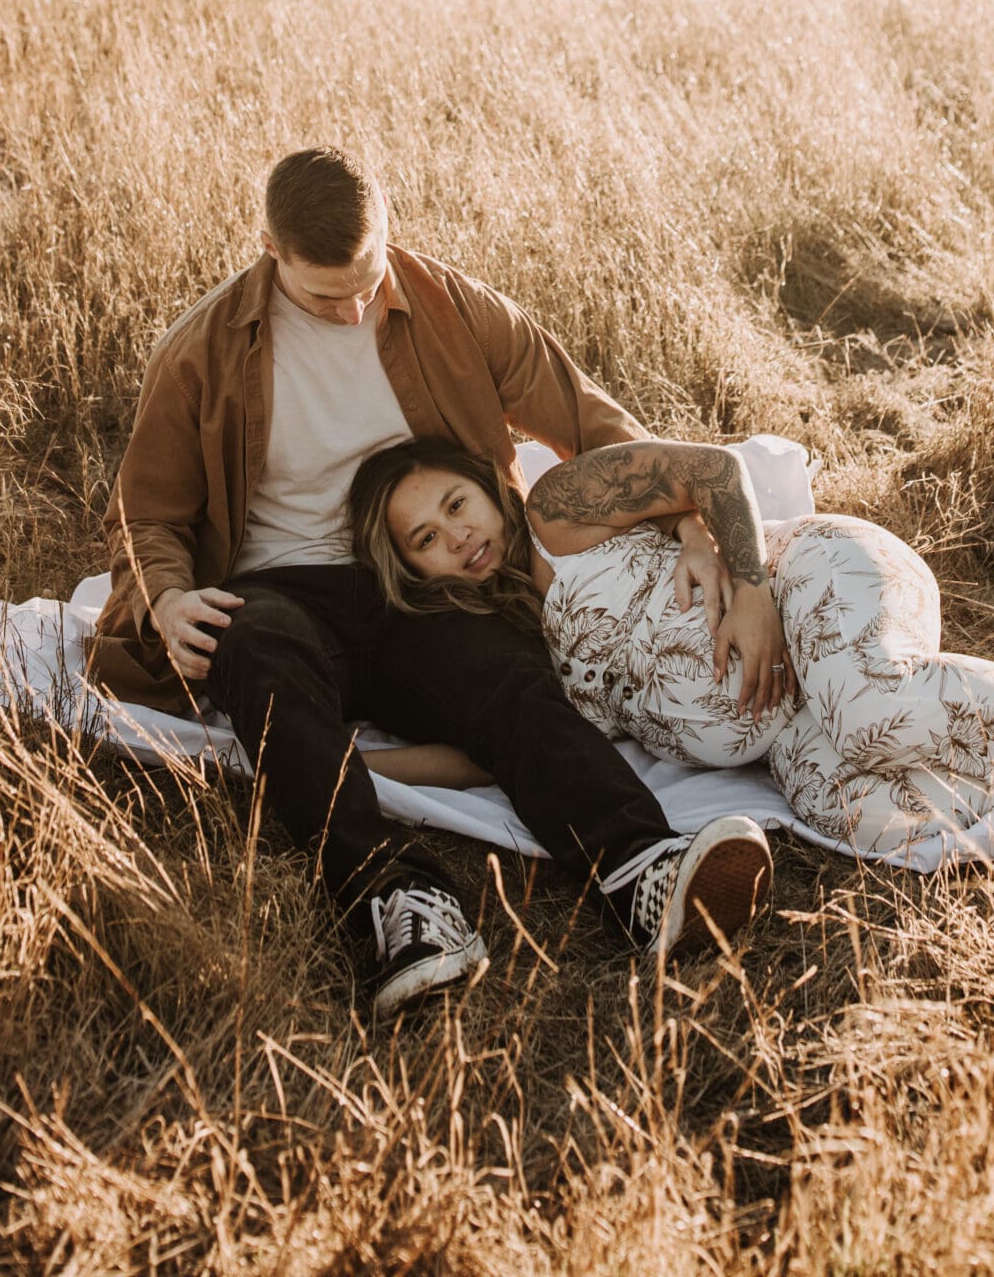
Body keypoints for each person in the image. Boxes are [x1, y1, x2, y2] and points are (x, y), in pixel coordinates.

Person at [87, 147, 775, 1019]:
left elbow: (585, 418)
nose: (352, 310)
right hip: (282, 591)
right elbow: (146, 513)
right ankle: (398, 904)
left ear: (389, 232)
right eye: (323, 295)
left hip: (428, 578)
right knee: (252, 649)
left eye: (367, 282)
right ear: (266, 247)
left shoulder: (454, 308)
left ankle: (641, 870)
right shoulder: (200, 350)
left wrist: (687, 521)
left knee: (506, 678)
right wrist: (168, 595)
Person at [349, 435, 994, 868]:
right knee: (845, 807)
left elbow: (713, 473)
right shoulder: (512, 649)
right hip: (786, 728)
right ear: (416, 569)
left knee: (872, 706)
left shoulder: (559, 508)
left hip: (809, 582)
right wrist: (365, 762)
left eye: (456, 505)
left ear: (485, 485)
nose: (455, 538)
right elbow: (486, 754)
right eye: (426, 539)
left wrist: (754, 587)